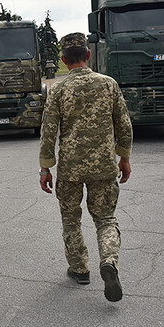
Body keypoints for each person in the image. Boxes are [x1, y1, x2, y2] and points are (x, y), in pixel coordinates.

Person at [38, 33, 133, 302]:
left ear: (64, 60)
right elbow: (124, 124)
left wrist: (45, 168)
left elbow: (48, 132)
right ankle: (109, 261)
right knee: (105, 219)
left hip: (70, 169)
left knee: (71, 220)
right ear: (88, 55)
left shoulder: (57, 89)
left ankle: (79, 268)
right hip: (103, 165)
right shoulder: (108, 84)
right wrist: (123, 157)